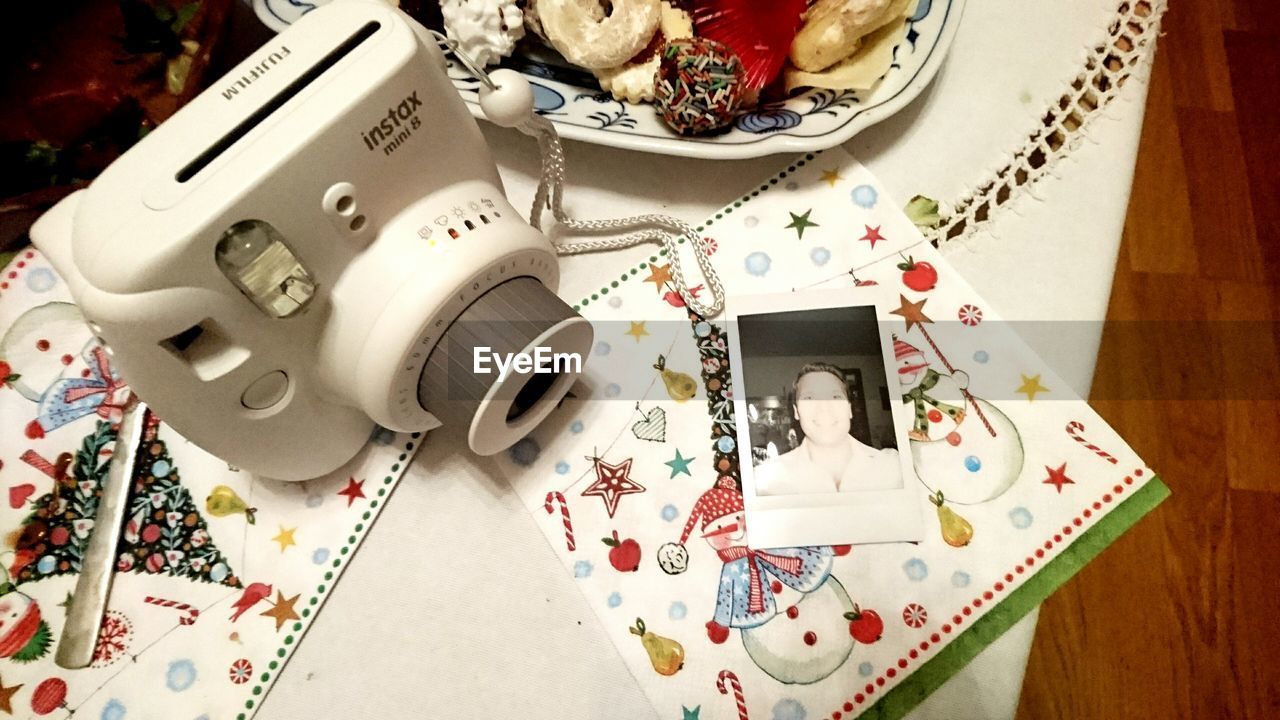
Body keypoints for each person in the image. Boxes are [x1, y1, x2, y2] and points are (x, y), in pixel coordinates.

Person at [753, 363, 901, 495]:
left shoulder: (895, 467)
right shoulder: (765, 482)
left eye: (835, 397)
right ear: (796, 412)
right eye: (809, 398)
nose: (824, 407)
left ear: (849, 409)